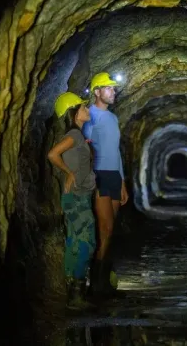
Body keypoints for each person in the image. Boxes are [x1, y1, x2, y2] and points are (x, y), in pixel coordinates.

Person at [47, 92, 97, 310]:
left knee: (75, 243)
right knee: (86, 242)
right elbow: (53, 154)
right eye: (83, 107)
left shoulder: (78, 135)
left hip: (77, 196)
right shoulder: (74, 135)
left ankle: (74, 295)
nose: (87, 109)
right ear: (75, 112)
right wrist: (68, 173)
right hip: (76, 198)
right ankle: (76, 295)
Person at [82, 72, 129, 298]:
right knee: (105, 229)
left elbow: (116, 151)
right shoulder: (90, 115)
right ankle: (95, 284)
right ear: (97, 92)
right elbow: (86, 147)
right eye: (109, 89)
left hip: (113, 176)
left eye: (114, 89)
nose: (113, 92)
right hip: (99, 174)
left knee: (110, 232)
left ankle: (105, 281)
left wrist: (123, 182)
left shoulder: (112, 118)